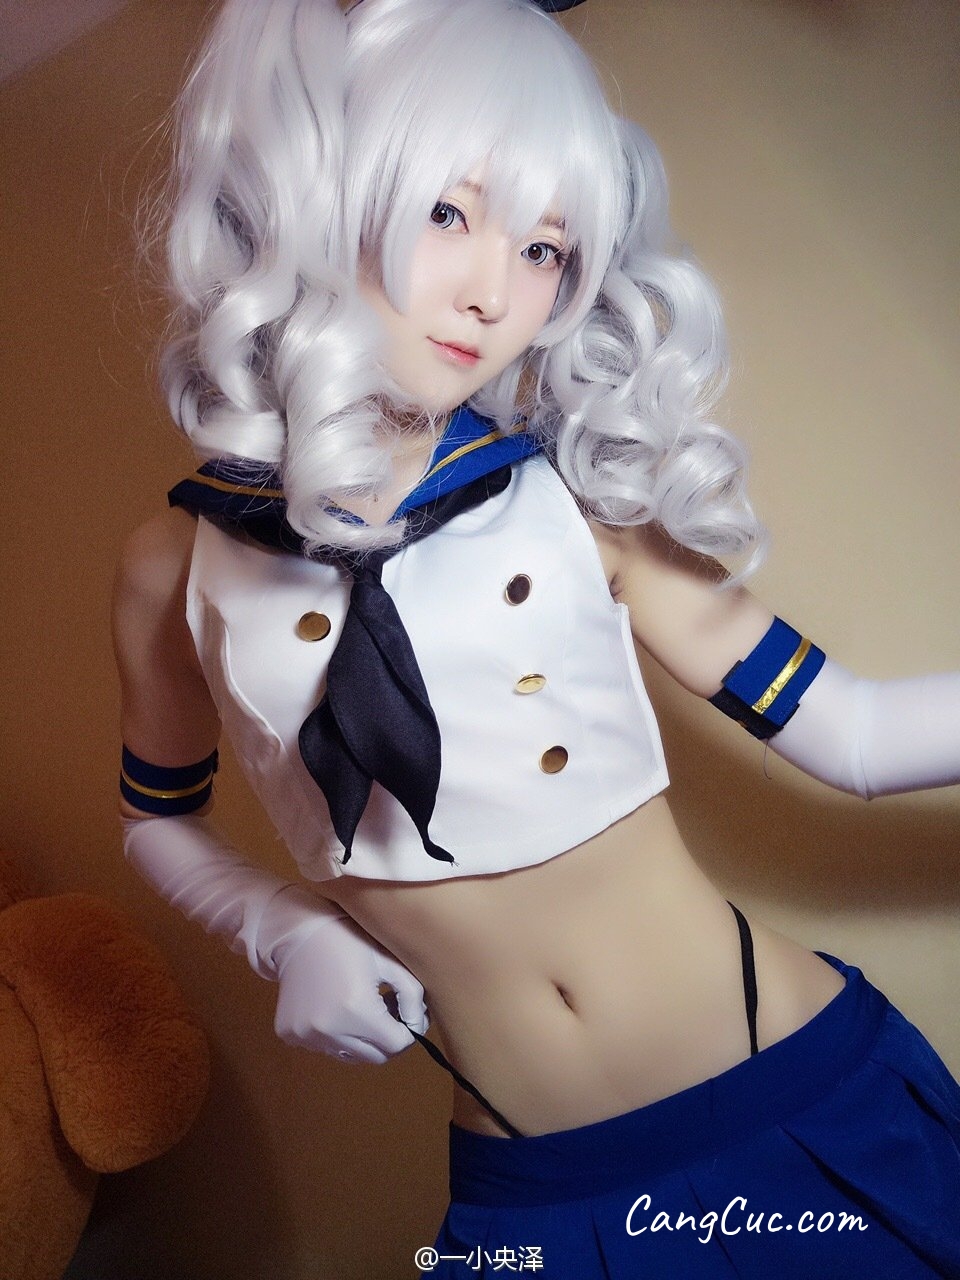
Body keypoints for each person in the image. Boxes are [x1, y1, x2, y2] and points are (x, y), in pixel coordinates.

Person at [113, 0, 960, 1274]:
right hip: (534, 1186)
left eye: (546, 247)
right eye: (448, 213)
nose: (495, 293)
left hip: (801, 1097)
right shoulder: (173, 568)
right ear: (322, 196)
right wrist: (282, 929)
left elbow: (857, 732)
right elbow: (154, 818)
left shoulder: (575, 507)